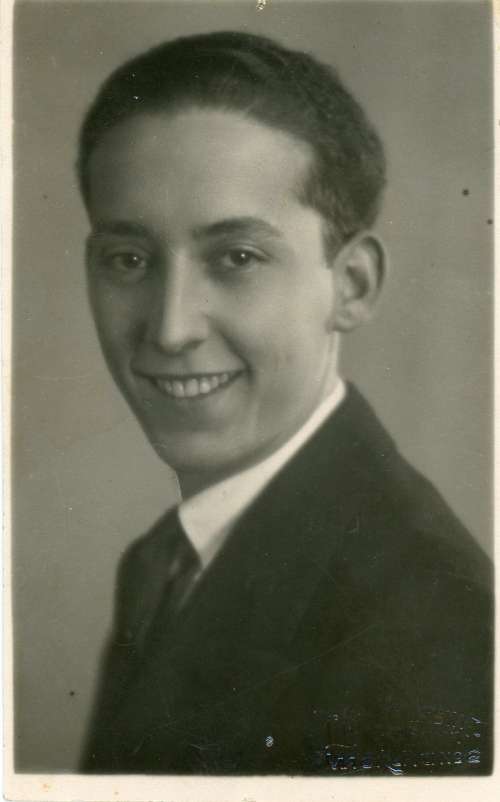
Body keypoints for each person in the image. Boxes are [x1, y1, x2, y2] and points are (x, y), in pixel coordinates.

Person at [77, 31, 492, 775]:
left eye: (237, 257)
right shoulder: (159, 563)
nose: (170, 328)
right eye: (129, 259)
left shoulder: (432, 625)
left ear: (352, 285)